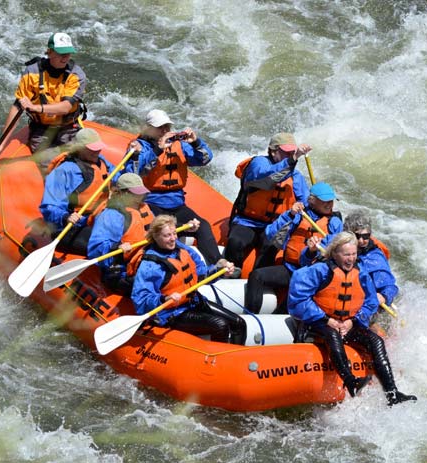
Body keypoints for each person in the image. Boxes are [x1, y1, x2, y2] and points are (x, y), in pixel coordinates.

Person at [288, 232, 416, 406]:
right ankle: (351, 382)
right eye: (346, 254)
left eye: (354, 254)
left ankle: (392, 394)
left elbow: (370, 303)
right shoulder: (319, 270)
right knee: (333, 335)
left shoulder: (361, 273)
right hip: (318, 323)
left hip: (348, 324)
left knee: (376, 341)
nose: (351, 259)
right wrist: (327, 320)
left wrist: (352, 322)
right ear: (334, 253)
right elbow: (298, 300)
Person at [123, 109, 224, 267]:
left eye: (167, 127)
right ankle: (177, 264)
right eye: (160, 127)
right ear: (148, 128)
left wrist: (196, 142)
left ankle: (217, 263)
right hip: (151, 202)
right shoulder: (138, 147)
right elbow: (134, 174)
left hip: (176, 203)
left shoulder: (179, 145)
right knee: (166, 230)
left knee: (202, 225)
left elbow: (204, 159)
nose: (165, 131)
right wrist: (158, 150)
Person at [131, 215, 246, 345]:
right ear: (156, 237)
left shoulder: (182, 250)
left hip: (193, 302)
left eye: (174, 233)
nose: (173, 238)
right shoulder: (150, 266)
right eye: (167, 235)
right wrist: (164, 299)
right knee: (221, 325)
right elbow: (140, 299)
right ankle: (218, 363)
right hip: (171, 313)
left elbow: (201, 276)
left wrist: (219, 271)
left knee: (239, 323)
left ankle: (232, 357)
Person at [244, 182, 342, 314]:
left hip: (310, 275)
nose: (329, 204)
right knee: (256, 276)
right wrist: (290, 214)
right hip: (290, 269)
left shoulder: (334, 222)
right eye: (325, 201)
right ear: (312, 201)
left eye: (331, 201)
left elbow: (334, 249)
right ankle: (251, 315)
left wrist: (313, 250)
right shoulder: (299, 214)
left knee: (285, 309)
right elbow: (270, 233)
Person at [0, 32, 86, 158]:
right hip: (41, 130)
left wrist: (35, 108)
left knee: (82, 157)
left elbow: (65, 107)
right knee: (46, 160)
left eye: (68, 53)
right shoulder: (32, 73)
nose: (65, 58)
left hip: (68, 128)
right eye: (61, 54)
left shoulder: (76, 75)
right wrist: (0, 146)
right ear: (49, 52)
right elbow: (18, 107)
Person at [225, 132, 311, 270]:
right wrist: (293, 159)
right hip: (248, 221)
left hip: (275, 225)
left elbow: (306, 201)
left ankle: (258, 281)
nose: (289, 156)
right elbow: (268, 178)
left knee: (271, 249)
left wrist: (302, 206)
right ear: (272, 151)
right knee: (236, 242)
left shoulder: (295, 175)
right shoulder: (258, 164)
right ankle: (230, 274)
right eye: (286, 153)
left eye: (292, 153)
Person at [39, 128, 115, 255]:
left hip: (98, 217)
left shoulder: (100, 161)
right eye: (92, 149)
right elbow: (50, 206)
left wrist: (134, 157)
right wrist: (65, 217)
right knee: (108, 246)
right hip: (71, 226)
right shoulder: (64, 171)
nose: (96, 151)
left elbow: (118, 175)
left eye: (98, 148)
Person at [343, 210, 398, 307]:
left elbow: (390, 287)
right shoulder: (336, 246)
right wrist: (311, 252)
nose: (361, 241)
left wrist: (384, 296)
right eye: (357, 236)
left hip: (365, 305)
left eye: (365, 236)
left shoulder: (374, 259)